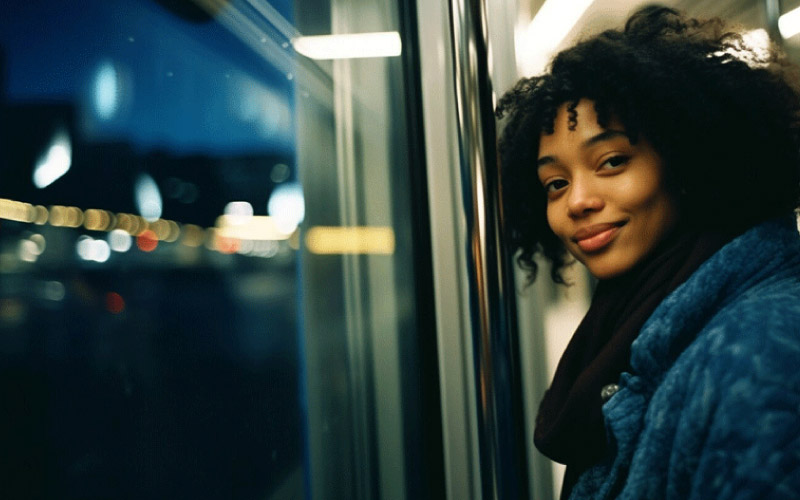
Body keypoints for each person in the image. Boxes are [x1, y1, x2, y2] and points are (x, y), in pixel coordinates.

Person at [496, 5, 800, 500]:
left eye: (612, 161)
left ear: (689, 160)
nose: (577, 201)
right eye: (554, 183)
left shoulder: (759, 351)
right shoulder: (634, 328)